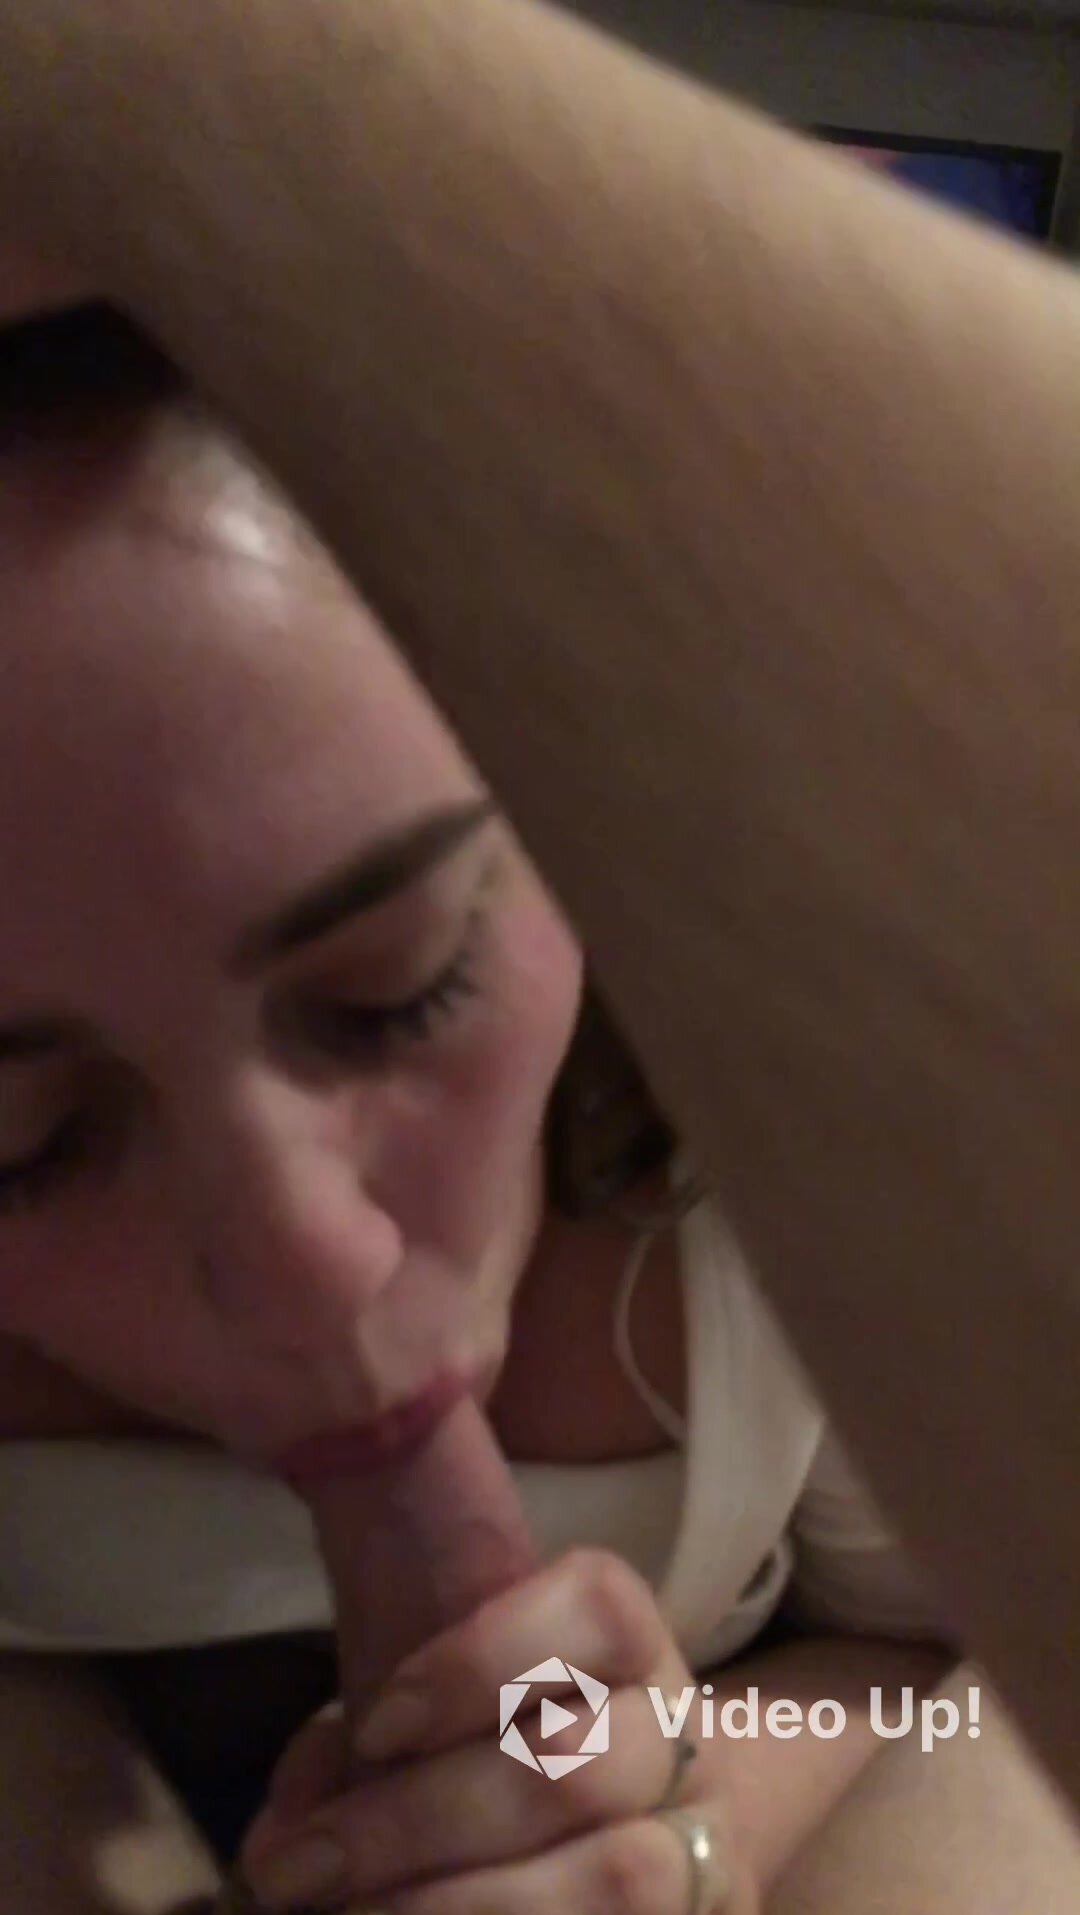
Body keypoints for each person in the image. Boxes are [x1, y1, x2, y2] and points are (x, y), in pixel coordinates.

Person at [3, 0, 1080, 1822]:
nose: (312, 1261)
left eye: (400, 991)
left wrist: (683, 1800)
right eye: (20, 1144)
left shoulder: (780, 1163)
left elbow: (946, 1696)